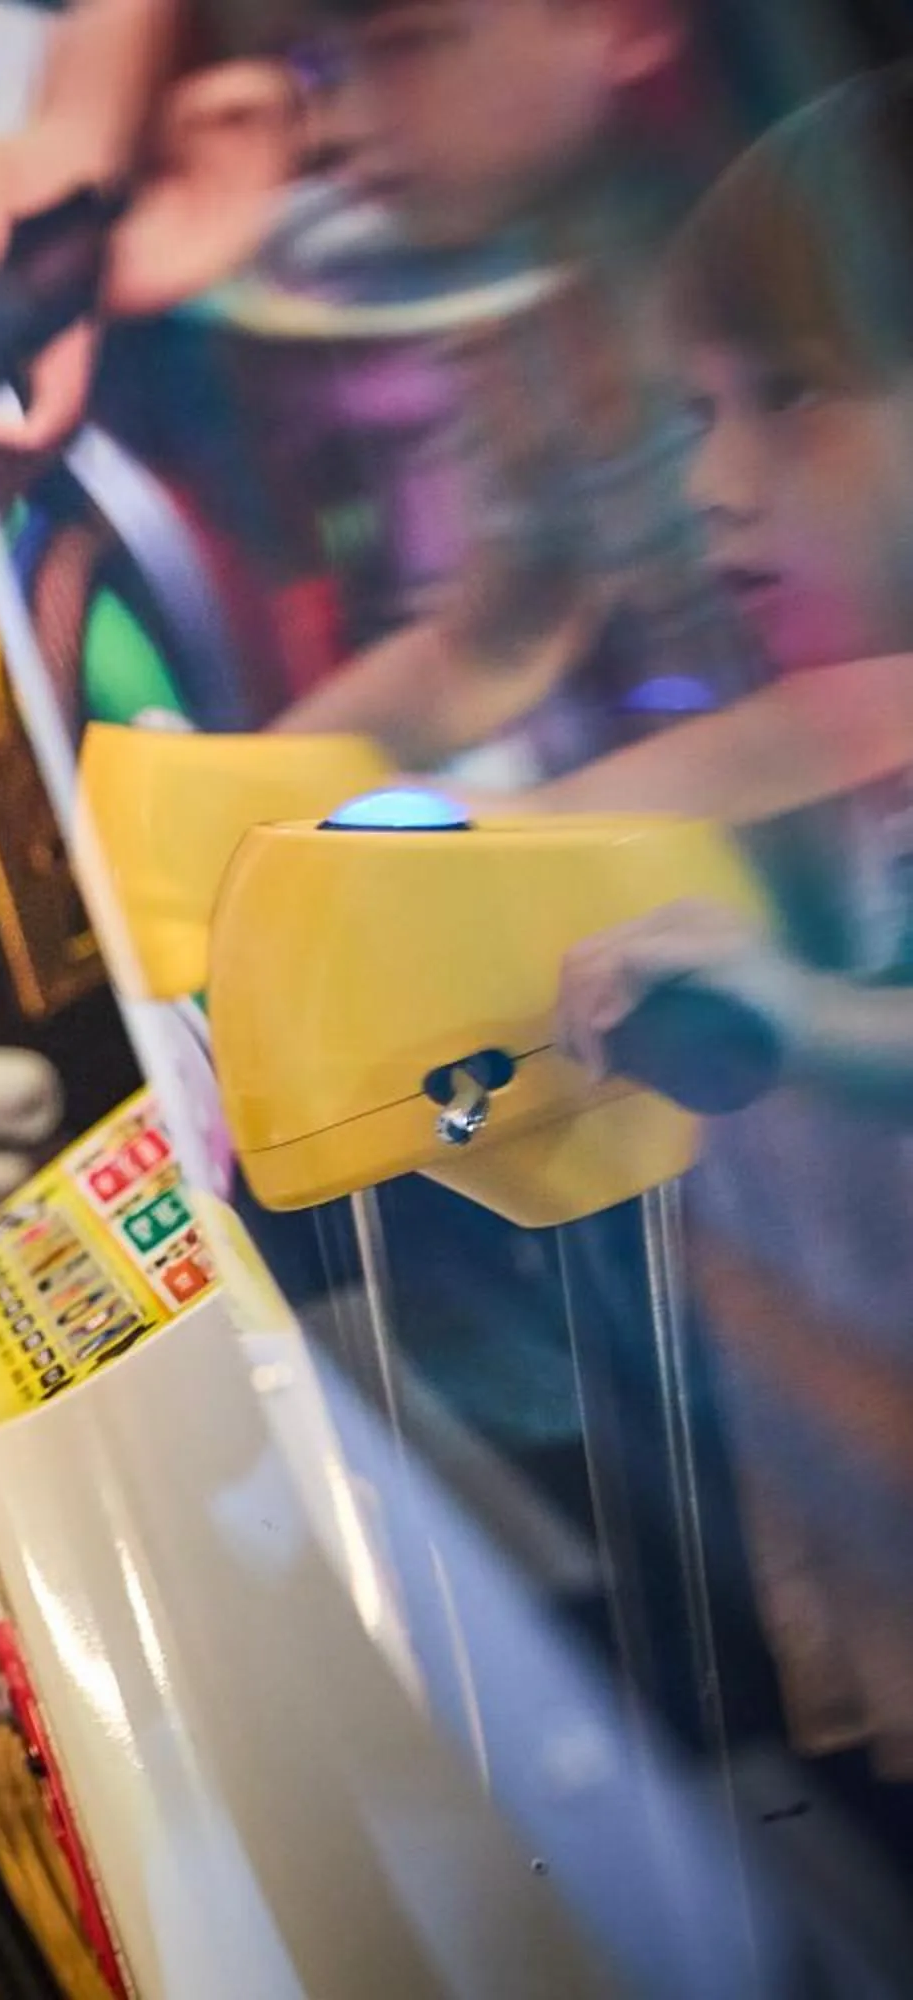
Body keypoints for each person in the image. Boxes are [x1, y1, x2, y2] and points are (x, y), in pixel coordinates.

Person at [547, 64, 913, 1785]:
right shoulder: (853, 720)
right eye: (697, 411)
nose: (713, 482)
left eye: (787, 398)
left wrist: (792, 1019)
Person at [264, 0, 757, 780]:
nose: (342, 124)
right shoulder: (524, 300)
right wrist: (236, 795)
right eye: (323, 69)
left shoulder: (793, 256)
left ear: (626, 20)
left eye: (410, 44)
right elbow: (496, 640)